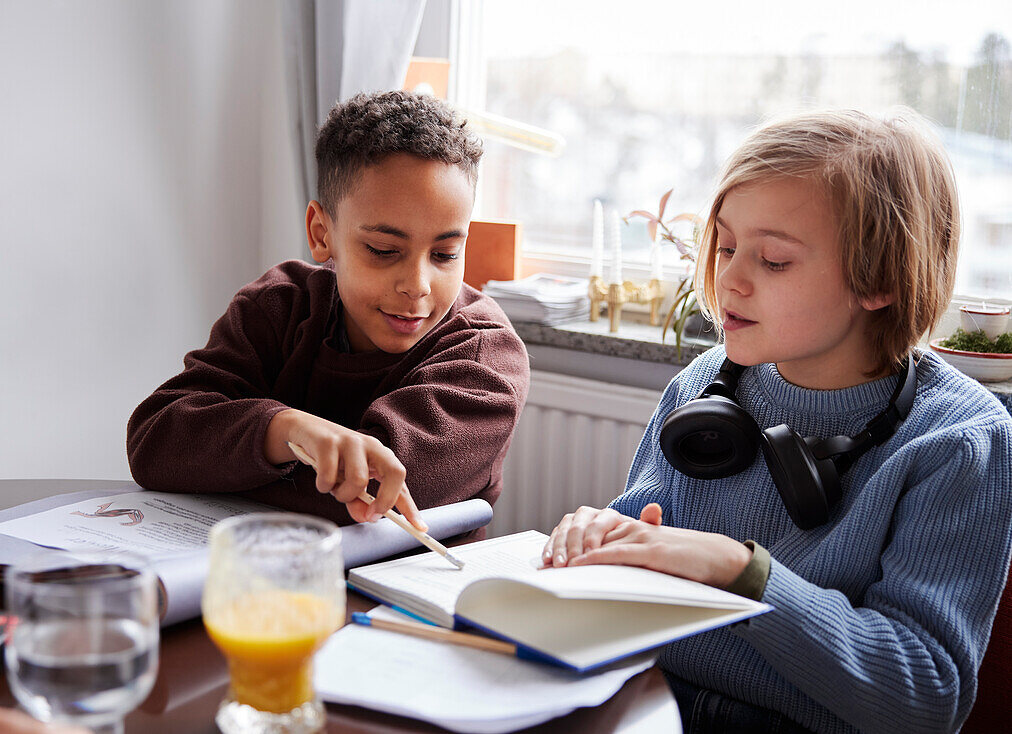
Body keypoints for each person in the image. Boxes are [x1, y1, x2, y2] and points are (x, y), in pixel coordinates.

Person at [543, 109, 1012, 733]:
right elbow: (644, 545)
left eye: (773, 261)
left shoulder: (958, 440)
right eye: (727, 246)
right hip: (651, 706)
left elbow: (925, 698)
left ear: (878, 279)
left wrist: (744, 571)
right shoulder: (704, 385)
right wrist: (601, 538)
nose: (728, 279)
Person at [127, 90, 529, 529]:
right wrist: (285, 430)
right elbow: (154, 440)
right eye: (383, 250)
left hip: (405, 594)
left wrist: (223, 461)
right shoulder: (279, 306)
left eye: (446, 254)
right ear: (322, 234)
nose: (417, 285)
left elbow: (366, 502)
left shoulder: (485, 357)